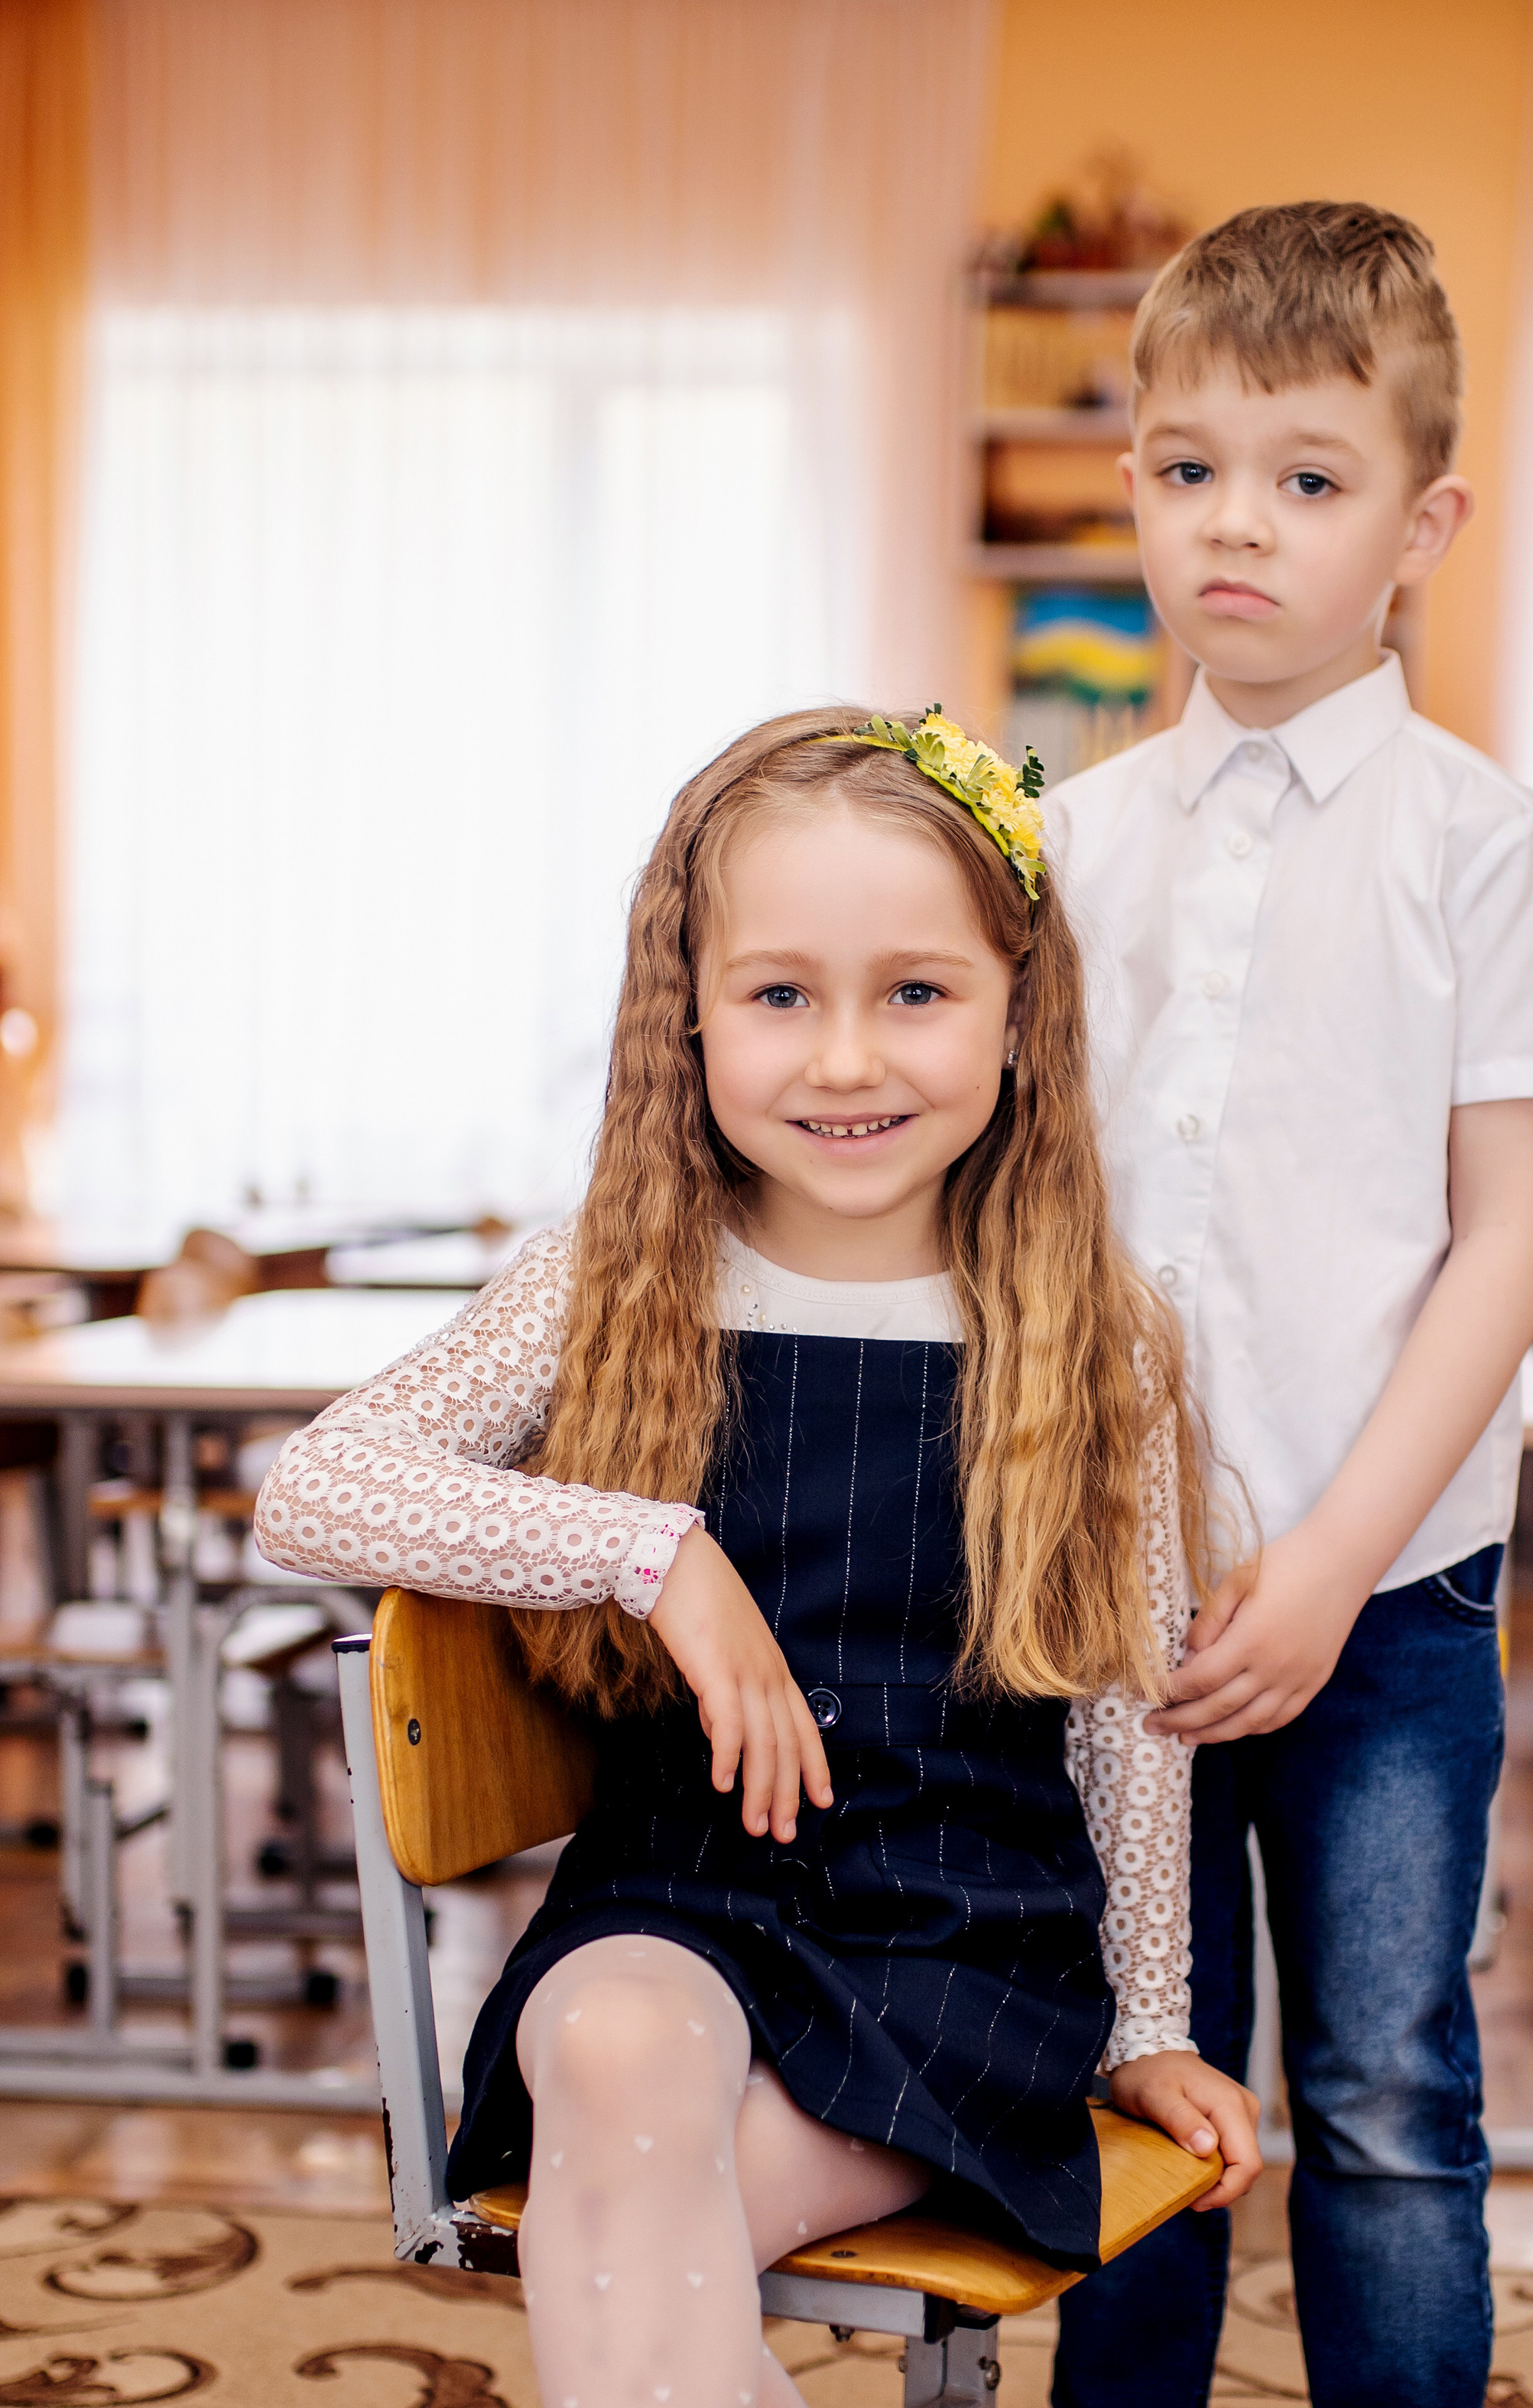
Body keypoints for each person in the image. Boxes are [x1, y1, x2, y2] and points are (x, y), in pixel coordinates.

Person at [256, 705, 1259, 2408]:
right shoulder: (608, 1278)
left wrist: (1150, 2020)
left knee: (636, 2231)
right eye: (780, 995)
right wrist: (653, 1554)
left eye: (915, 993)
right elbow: (311, 1490)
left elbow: (1121, 1709)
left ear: (1022, 1015)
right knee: (611, 2048)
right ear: (691, 1017)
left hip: (961, 1941)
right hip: (676, 1899)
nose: (845, 1061)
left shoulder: (1101, 1335)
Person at [1045, 203, 1533, 2408]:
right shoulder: (1066, 840)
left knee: (1382, 2106)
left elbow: (1505, 1237)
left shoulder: (1490, 840)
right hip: (1114, 1604)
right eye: (1190, 471)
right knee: (1135, 2103)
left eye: (1307, 475)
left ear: (1419, 521)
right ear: (1135, 494)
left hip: (1387, 1603)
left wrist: (1336, 1553)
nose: (1236, 526)